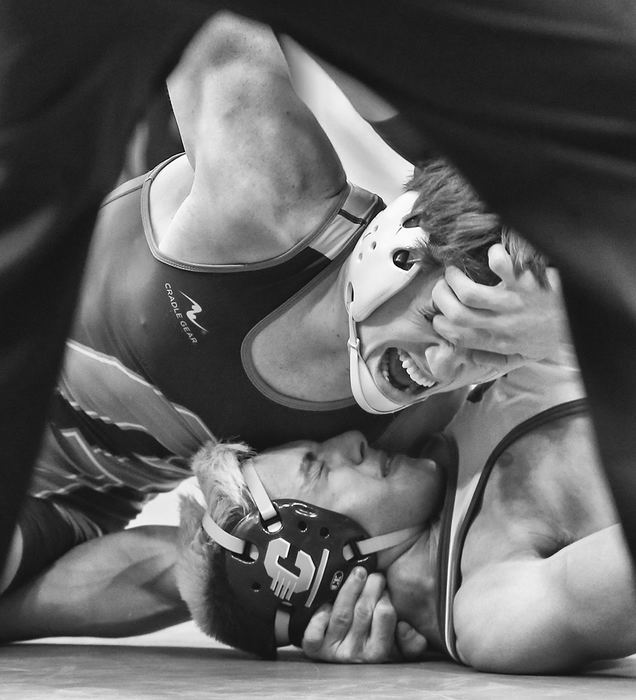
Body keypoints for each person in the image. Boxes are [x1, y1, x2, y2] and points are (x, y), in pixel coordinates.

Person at [3, 2, 636, 582]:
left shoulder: (415, 438)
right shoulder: (265, 194)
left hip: (87, 501)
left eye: (488, 352)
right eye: (440, 323)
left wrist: (567, 332)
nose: (441, 369)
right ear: (397, 256)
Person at [174, 341, 636, 673]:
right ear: (311, 558)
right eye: (319, 469)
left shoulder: (460, 411)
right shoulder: (487, 611)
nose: (351, 442)